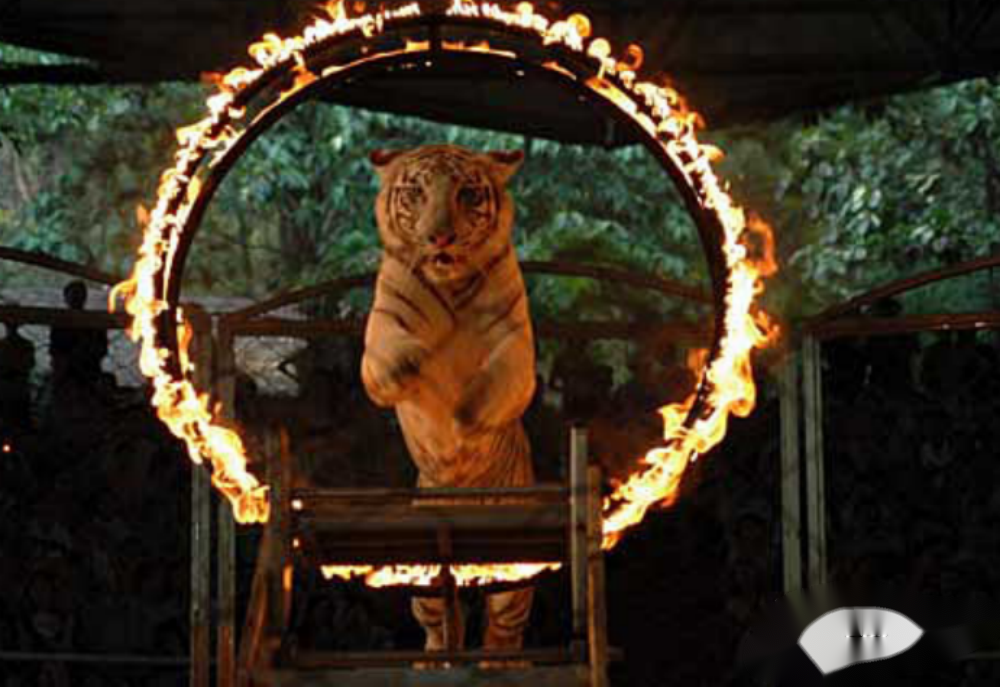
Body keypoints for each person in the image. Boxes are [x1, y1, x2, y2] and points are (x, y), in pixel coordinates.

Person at [0, 319, 36, 434]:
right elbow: (30, 364)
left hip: (9, 386)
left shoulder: (3, 345)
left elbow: (30, 364)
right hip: (17, 385)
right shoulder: (26, 344)